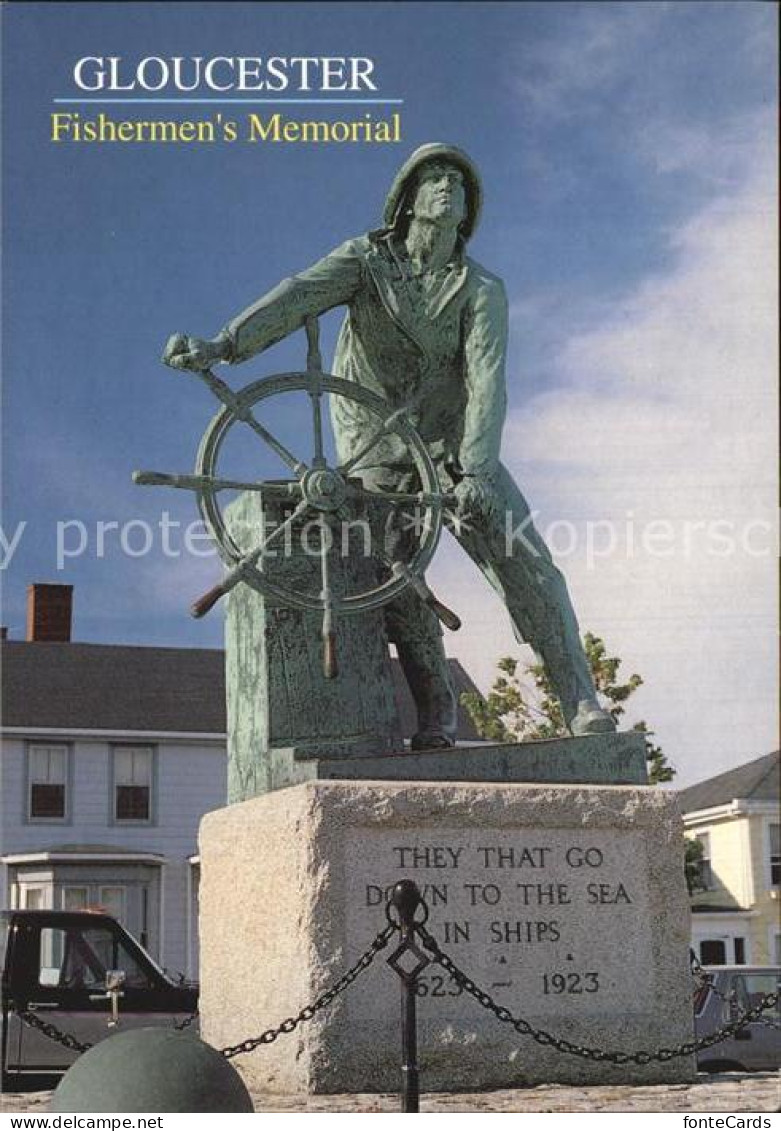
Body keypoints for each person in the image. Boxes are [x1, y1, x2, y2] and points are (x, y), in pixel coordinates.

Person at [164, 143, 614, 745]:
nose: (448, 187)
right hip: (375, 445)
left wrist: (476, 470)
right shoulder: (364, 261)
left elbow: (487, 379)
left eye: (458, 181)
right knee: (395, 578)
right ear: (407, 201)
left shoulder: (482, 289)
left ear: (467, 209)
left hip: (455, 448)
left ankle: (581, 700)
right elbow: (296, 297)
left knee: (529, 565)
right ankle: (437, 712)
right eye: (434, 179)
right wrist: (224, 345)